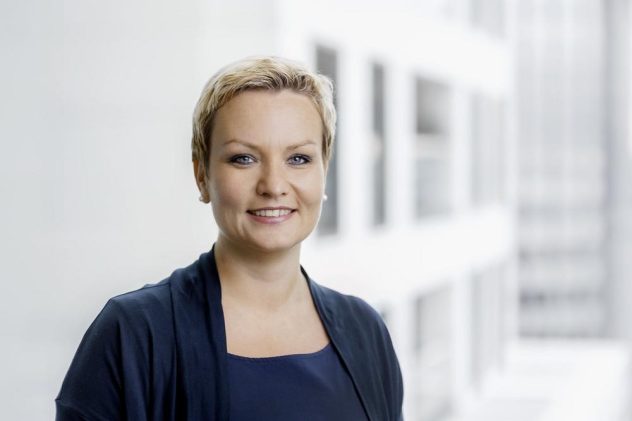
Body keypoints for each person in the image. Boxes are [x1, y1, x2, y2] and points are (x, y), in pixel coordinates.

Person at [55, 56, 404, 421]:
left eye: (299, 159)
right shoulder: (133, 334)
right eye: (244, 158)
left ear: (324, 171)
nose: (273, 186)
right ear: (202, 176)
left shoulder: (366, 331)